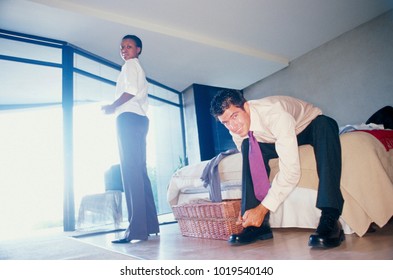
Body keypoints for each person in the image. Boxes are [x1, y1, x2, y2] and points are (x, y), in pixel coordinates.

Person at [210, 89, 344, 248]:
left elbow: (291, 173)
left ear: (246, 107)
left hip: (307, 126)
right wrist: (249, 209)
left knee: (325, 125)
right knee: (248, 146)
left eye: (234, 116)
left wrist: (262, 209)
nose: (232, 126)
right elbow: (252, 161)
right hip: (273, 138)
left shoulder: (275, 115)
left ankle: (330, 218)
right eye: (225, 122)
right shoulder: (237, 130)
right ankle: (256, 226)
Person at [102, 35, 159, 243]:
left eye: (129, 46)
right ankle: (150, 225)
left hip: (128, 119)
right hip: (140, 120)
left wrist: (112, 106)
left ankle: (135, 230)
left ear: (138, 49)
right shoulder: (136, 68)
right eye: (122, 47)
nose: (124, 50)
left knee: (130, 171)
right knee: (139, 171)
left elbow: (131, 91)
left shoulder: (130, 66)